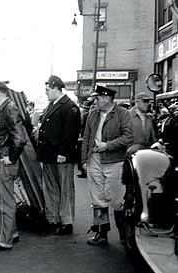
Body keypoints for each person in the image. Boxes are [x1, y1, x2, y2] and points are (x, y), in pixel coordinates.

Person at [81, 85, 134, 245]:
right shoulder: (92, 115)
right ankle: (101, 234)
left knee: (117, 200)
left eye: (97, 98)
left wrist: (107, 145)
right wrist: (84, 160)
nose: (94, 102)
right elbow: (86, 138)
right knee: (98, 199)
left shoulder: (122, 114)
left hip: (114, 161)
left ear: (106, 99)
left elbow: (128, 137)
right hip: (95, 160)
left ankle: (124, 234)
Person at [0, 78, 26, 251]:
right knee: (4, 199)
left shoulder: (8, 109)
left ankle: (3, 239)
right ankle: (11, 232)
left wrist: (12, 157)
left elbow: (20, 139)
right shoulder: (3, 109)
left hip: (2, 160)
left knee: (1, 201)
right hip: (0, 159)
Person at [37, 75, 81, 235]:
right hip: (49, 154)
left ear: (56, 88)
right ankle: (53, 218)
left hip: (60, 156)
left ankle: (67, 221)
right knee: (51, 189)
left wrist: (63, 153)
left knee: (65, 189)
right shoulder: (53, 105)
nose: (46, 93)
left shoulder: (69, 107)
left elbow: (70, 133)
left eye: (48, 90)